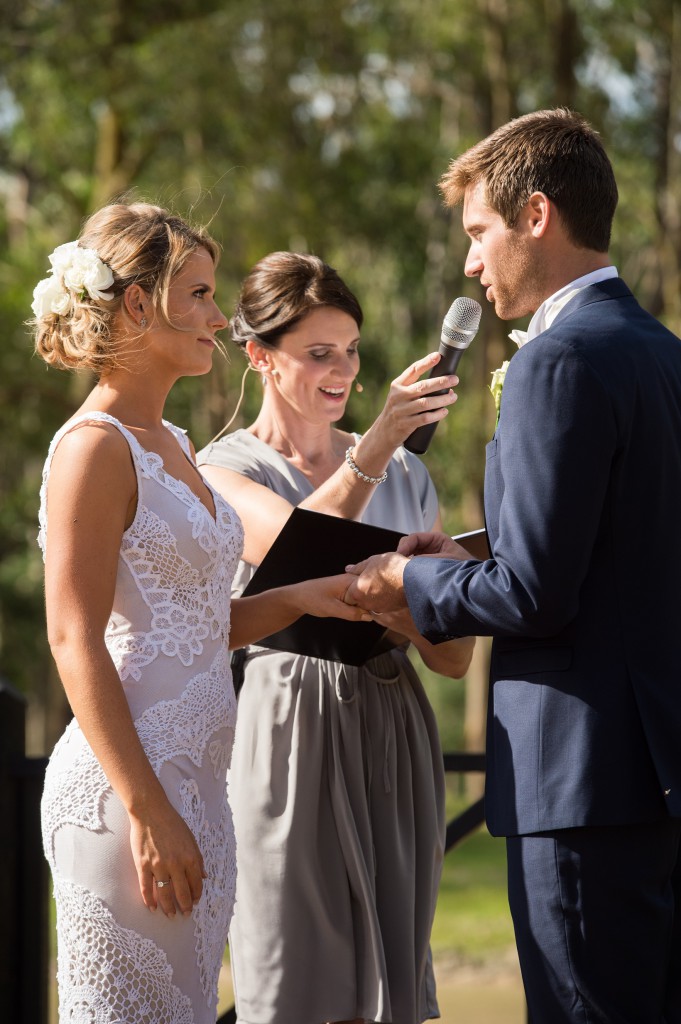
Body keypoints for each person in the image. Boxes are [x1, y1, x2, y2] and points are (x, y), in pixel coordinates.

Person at [344, 107, 681, 1023]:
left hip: (576, 780)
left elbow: (534, 595)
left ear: (536, 215)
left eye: (478, 232)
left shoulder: (556, 362)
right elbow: (615, 548)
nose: (468, 263)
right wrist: (467, 556)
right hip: (654, 776)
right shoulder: (662, 355)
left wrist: (409, 583)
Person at [33, 204, 369, 1024]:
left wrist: (306, 597)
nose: (222, 318)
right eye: (202, 294)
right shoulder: (92, 448)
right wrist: (148, 808)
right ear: (141, 305)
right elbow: (74, 639)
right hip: (128, 794)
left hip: (200, 792)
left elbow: (193, 622)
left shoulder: (176, 444)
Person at [197, 250, 475, 1024]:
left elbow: (453, 658)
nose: (343, 370)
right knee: (292, 981)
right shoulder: (220, 470)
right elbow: (296, 551)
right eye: (319, 353)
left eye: (350, 351)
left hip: (394, 727)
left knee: (395, 984)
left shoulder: (410, 480)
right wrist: (377, 444)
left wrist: (427, 601)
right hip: (284, 728)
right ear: (259, 356)